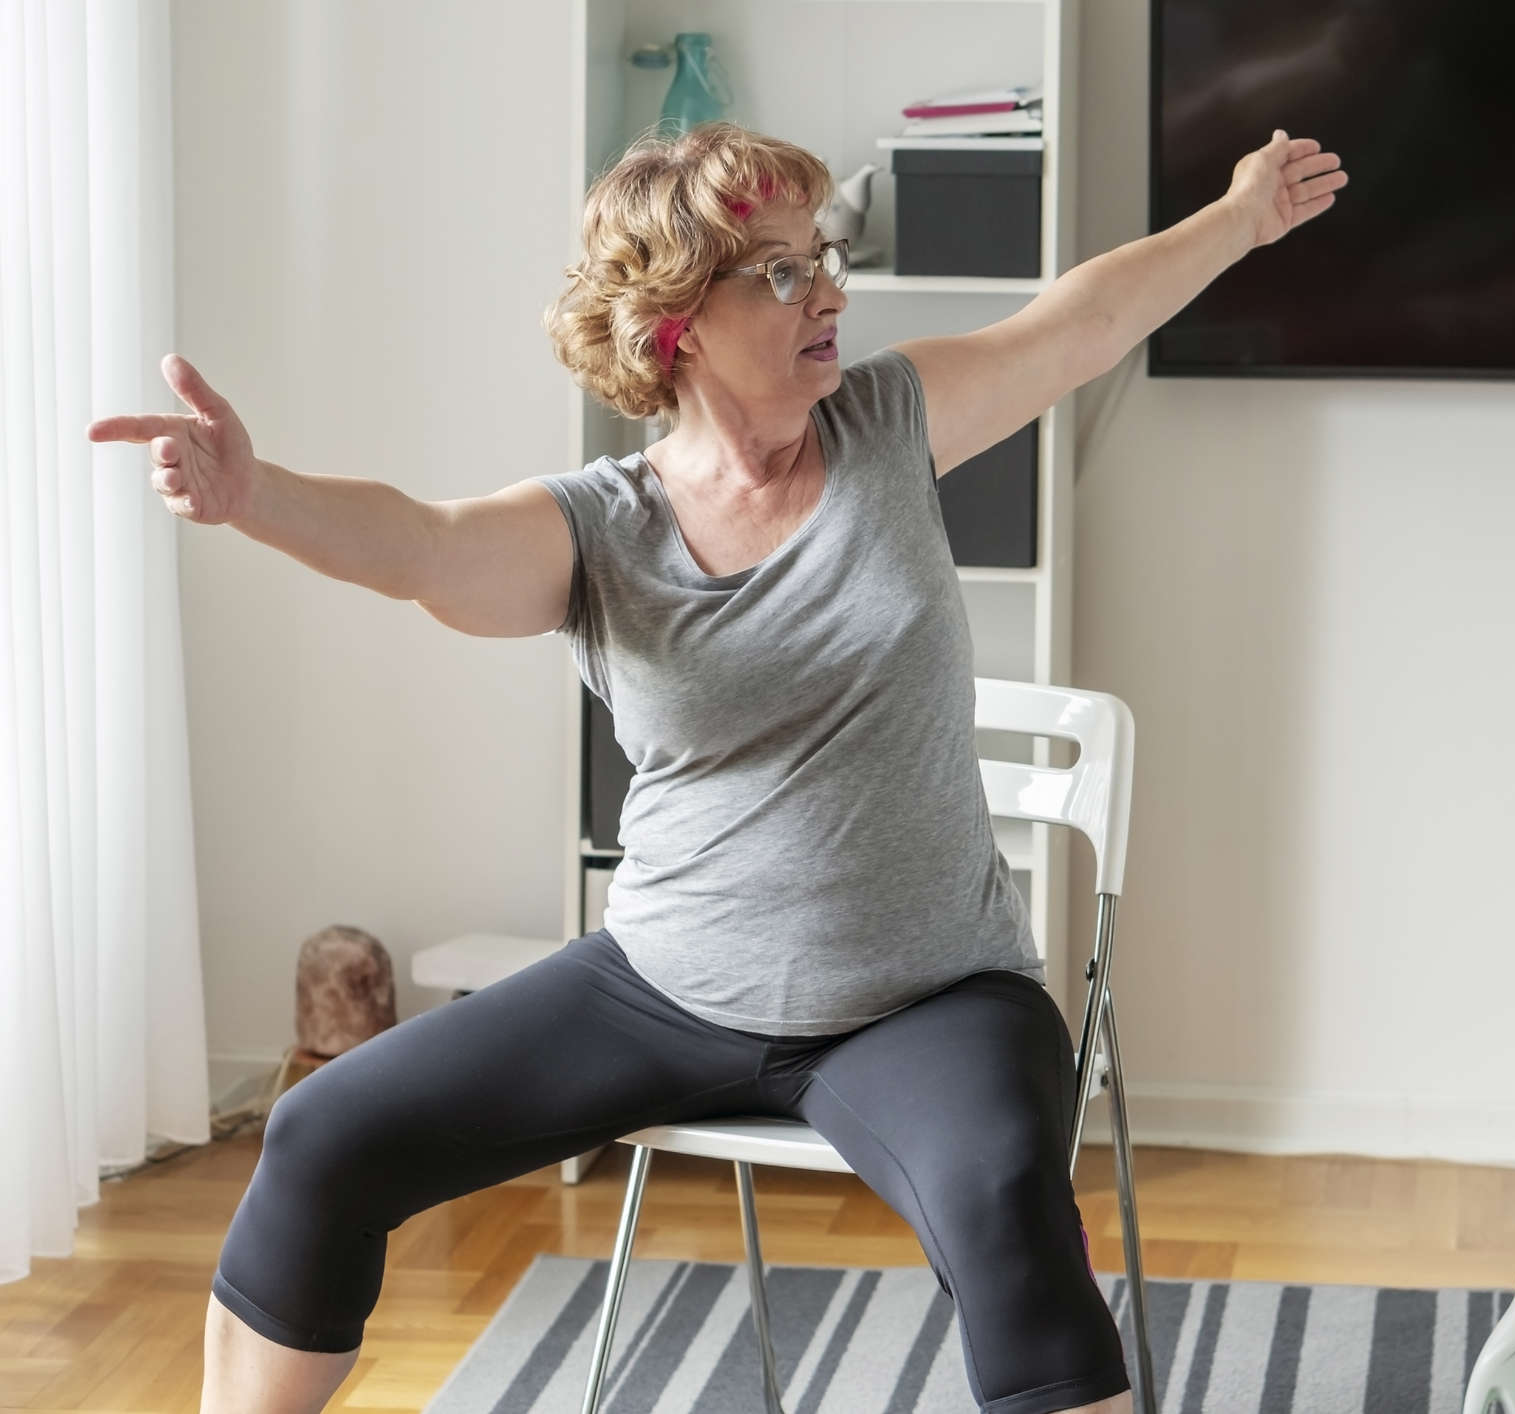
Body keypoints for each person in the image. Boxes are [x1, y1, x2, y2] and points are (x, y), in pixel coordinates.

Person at [85, 119, 1344, 1414]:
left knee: (1002, 1200)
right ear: (674, 319)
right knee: (321, 1131)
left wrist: (1241, 213)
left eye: (824, 259)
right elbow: (420, 544)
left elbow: (1073, 324)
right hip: (663, 985)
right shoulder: (603, 532)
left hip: (925, 995)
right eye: (782, 272)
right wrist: (256, 495)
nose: (828, 295)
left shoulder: (887, 425)